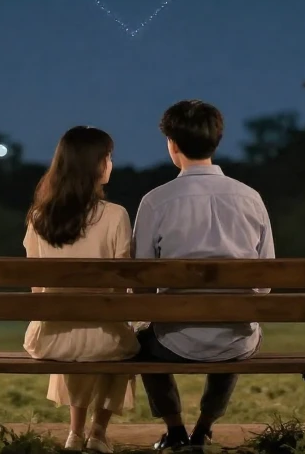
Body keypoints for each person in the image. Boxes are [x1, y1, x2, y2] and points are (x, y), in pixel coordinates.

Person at [132, 100, 275, 449]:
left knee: (141, 342)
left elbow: (141, 284)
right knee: (239, 329)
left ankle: (175, 429)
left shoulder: (155, 201)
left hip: (173, 343)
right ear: (217, 140)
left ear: (172, 145)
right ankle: (205, 428)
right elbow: (264, 283)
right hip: (236, 340)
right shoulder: (251, 198)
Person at [23, 125, 139, 453]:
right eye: (109, 157)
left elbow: (36, 288)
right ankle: (98, 433)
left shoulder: (39, 216)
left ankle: (74, 433)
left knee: (70, 329)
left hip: (50, 339)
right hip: (106, 340)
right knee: (115, 337)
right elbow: (124, 285)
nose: (111, 164)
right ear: (98, 164)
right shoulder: (115, 215)